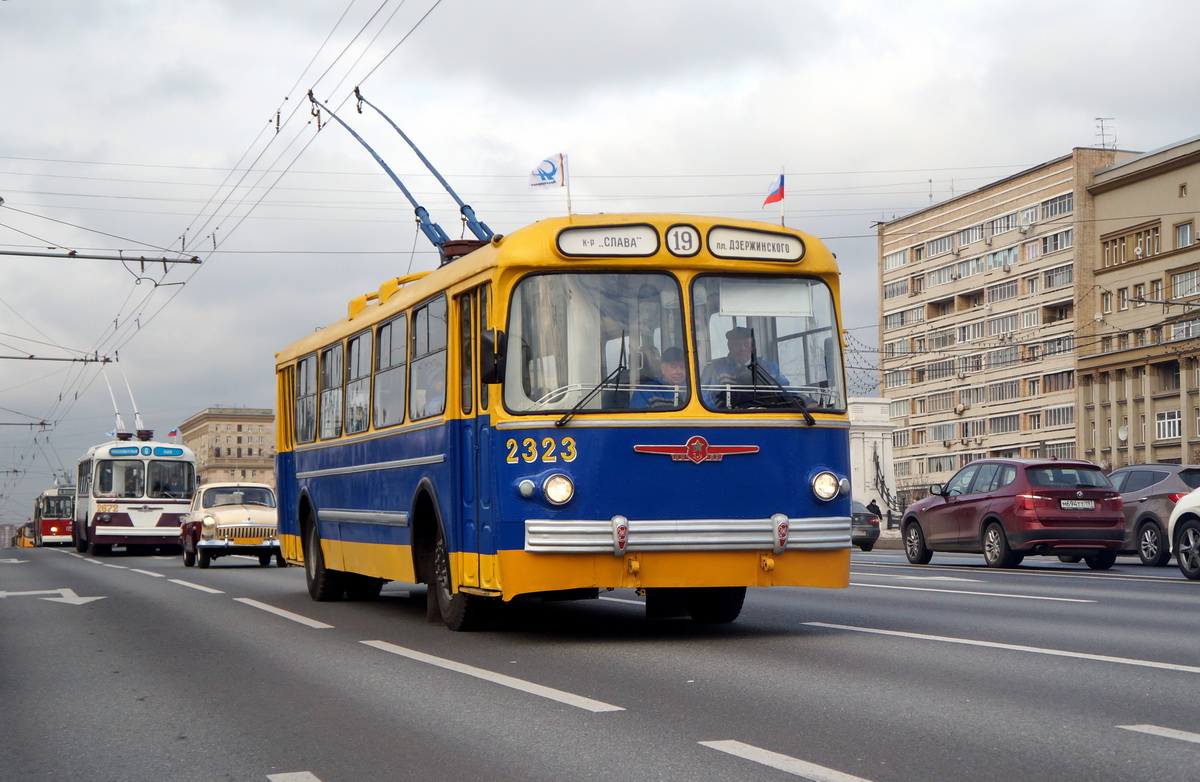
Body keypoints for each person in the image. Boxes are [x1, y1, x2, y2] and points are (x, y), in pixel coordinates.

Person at [701, 326, 788, 405]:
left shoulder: (771, 368)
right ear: (729, 346)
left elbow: (787, 392)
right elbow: (704, 396)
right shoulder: (714, 369)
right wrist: (724, 408)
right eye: (737, 345)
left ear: (753, 346)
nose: (742, 348)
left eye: (746, 344)